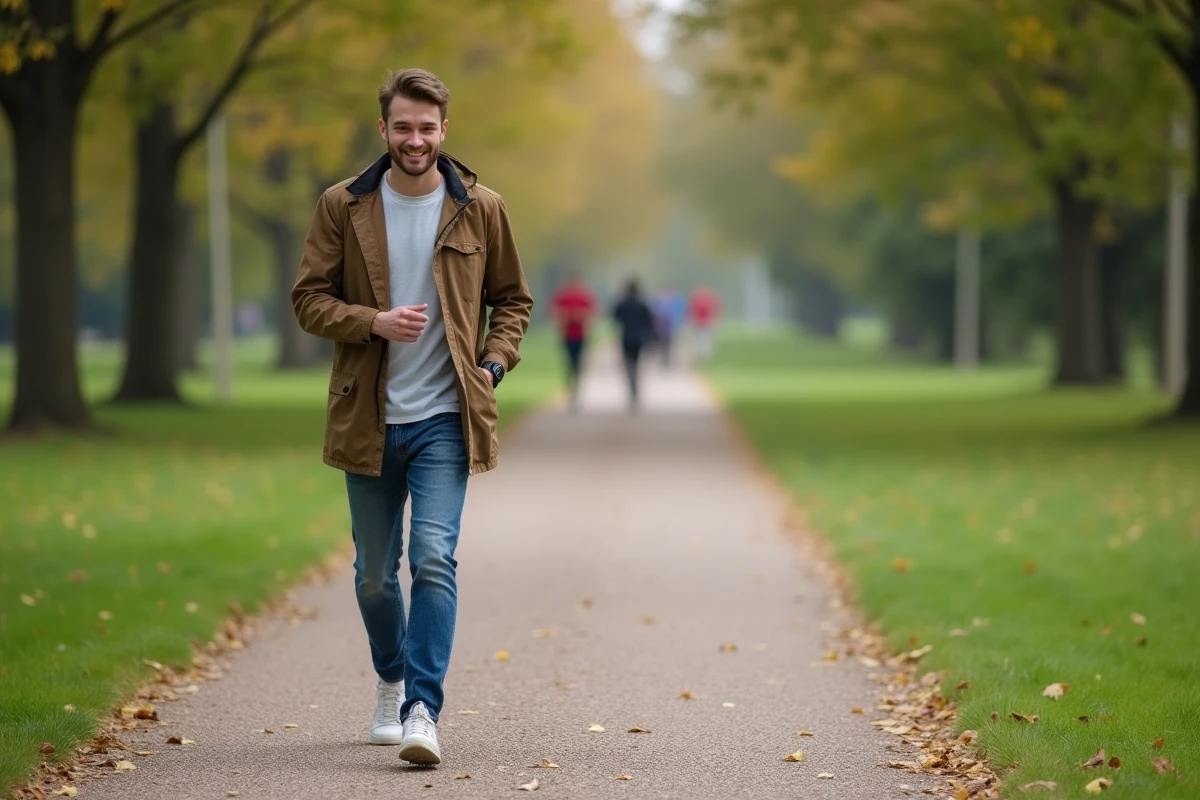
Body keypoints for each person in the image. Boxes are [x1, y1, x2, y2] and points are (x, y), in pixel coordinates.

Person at [291, 68, 532, 766]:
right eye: (404, 127)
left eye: (428, 127)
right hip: (366, 417)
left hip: (444, 419)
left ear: (444, 130)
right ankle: (391, 679)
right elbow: (309, 299)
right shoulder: (343, 205)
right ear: (384, 130)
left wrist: (492, 364)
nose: (416, 139)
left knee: (432, 558)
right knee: (372, 574)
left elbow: (513, 300)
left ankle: (424, 708)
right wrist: (373, 321)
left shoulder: (481, 207)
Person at [550, 271, 597, 409]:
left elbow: (593, 313)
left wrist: (580, 315)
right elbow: (555, 311)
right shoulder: (563, 296)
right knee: (569, 362)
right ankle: (571, 388)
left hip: (581, 335)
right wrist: (567, 315)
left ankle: (576, 387)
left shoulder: (585, 296)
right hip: (567, 334)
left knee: (578, 362)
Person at [612, 278, 656, 411]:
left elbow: (615, 318)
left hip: (626, 337)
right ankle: (634, 387)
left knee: (628, 364)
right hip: (638, 338)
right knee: (636, 364)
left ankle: (632, 386)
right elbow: (649, 322)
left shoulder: (622, 304)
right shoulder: (643, 305)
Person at [653, 285, 687, 368]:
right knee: (664, 344)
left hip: (670, 326)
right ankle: (665, 359)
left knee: (668, 344)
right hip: (663, 327)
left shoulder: (674, 301)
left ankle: (667, 359)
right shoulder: (660, 301)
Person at [689, 285, 721, 364]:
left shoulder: (698, 300)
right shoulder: (708, 301)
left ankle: (701, 355)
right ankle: (703, 355)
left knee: (701, 339)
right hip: (703, 322)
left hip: (702, 322)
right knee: (704, 340)